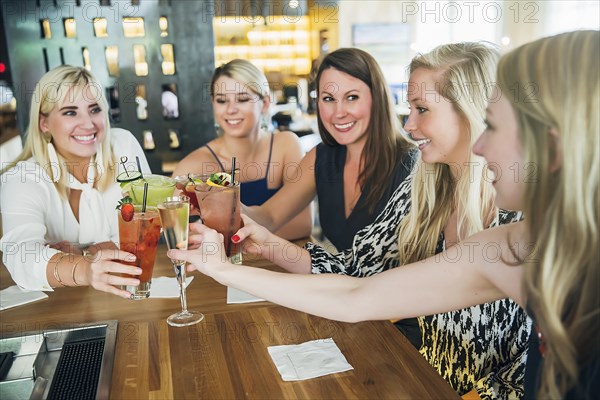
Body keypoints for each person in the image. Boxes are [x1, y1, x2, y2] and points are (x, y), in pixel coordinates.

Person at [172, 30, 599, 399]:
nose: (483, 146)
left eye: (495, 126)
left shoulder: (521, 237)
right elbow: (357, 290)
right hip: (415, 375)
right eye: (326, 98)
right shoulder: (500, 237)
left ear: (555, 145)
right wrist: (227, 267)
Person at [229, 42, 532, 398]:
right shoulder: (424, 186)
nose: (410, 124)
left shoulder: (523, 212)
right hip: (413, 375)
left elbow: (533, 368)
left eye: (422, 110)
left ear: (472, 112)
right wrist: (268, 244)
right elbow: (356, 270)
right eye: (410, 108)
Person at [0, 65, 150, 299]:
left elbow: (146, 228)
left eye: (94, 109)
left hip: (131, 291)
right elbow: (20, 256)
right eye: (70, 112)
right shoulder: (21, 178)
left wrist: (79, 253)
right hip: (60, 306)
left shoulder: (123, 146)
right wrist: (86, 268)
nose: (88, 124)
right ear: (44, 123)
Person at [244, 48, 415, 250]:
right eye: (328, 99)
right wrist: (220, 201)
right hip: (338, 280)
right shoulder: (322, 157)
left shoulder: (411, 165)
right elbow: (269, 216)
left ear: (377, 97)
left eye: (352, 97)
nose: (339, 112)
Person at [171, 59, 311, 240]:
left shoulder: (286, 145)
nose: (231, 109)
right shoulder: (194, 165)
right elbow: (176, 233)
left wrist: (231, 239)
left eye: (242, 99)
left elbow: (302, 225)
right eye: (222, 101)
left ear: (265, 104)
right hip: (223, 268)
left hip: (284, 265)